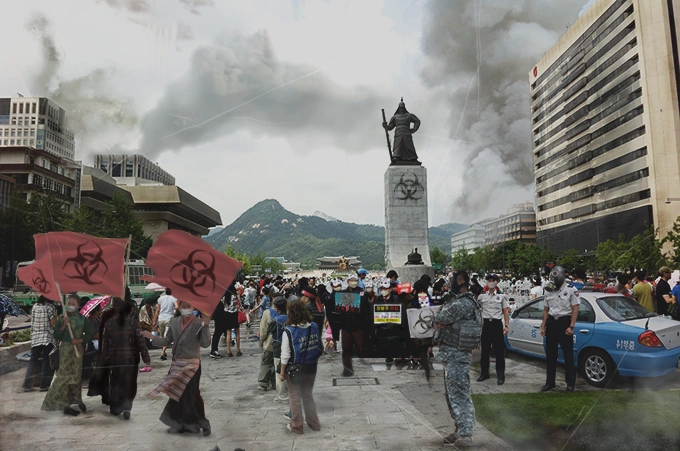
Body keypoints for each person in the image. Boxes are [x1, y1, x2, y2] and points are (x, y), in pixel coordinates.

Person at [142, 301, 212, 436]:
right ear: (179, 307)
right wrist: (152, 338)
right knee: (177, 392)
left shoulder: (199, 323)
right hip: (177, 363)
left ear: (193, 307)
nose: (185, 309)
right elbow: (167, 341)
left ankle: (203, 423)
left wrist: (206, 326)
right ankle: (178, 423)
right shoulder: (174, 322)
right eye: (183, 306)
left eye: (188, 306)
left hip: (192, 364)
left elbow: (205, 343)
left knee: (192, 393)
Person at [432, 271, 481, 448]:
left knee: (459, 394)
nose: (448, 283)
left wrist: (440, 321)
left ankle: (466, 434)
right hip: (451, 354)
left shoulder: (463, 303)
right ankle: (459, 429)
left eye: (450, 280)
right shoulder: (457, 301)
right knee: (451, 394)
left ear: (460, 282)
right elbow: (440, 319)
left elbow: (441, 317)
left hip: (457, 355)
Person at [87, 297, 150, 420]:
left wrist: (105, 357)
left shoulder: (109, 323)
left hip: (115, 360)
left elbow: (105, 343)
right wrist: (146, 357)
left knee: (116, 383)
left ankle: (116, 406)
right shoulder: (133, 323)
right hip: (131, 360)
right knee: (129, 383)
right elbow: (141, 341)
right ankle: (127, 407)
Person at [42, 294, 93, 416]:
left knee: (76, 375)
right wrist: (64, 325)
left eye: (73, 304)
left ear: (78, 305)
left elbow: (89, 334)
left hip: (77, 350)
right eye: (69, 303)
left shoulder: (83, 319)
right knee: (63, 375)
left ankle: (77, 400)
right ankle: (64, 404)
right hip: (65, 349)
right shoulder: (61, 318)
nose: (70, 306)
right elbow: (56, 335)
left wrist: (80, 340)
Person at [279, 298, 323, 434]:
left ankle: (297, 426)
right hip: (311, 367)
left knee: (295, 397)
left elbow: (285, 355)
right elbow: (319, 347)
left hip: (295, 369)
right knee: (308, 395)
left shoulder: (289, 331)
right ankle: (314, 424)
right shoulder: (313, 326)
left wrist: (282, 373)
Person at [540, 266, 579, 393]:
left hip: (564, 322)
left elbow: (575, 309)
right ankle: (550, 382)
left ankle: (570, 383)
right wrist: (543, 326)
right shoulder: (548, 290)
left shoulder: (571, 290)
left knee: (568, 355)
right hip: (552, 322)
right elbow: (546, 310)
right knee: (550, 355)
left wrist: (571, 326)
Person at [477, 274, 510, 385]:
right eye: (489, 280)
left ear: (496, 282)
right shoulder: (482, 297)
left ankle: (500, 375)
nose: (491, 282)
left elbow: (505, 311)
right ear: (486, 282)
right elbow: (478, 311)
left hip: (497, 324)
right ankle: (484, 373)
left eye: (493, 280)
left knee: (499, 351)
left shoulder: (501, 296)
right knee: (484, 351)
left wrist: (506, 325)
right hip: (486, 324)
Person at [23, 296, 57, 392]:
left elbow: (33, 322)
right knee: (46, 361)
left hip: (35, 337)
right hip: (47, 337)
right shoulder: (50, 307)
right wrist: (56, 316)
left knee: (33, 361)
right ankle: (43, 385)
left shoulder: (35, 306)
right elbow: (52, 323)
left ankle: (27, 385)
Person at [269, 296, 290, 403]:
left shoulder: (275, 320)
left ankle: (282, 395)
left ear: (276, 308)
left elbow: (270, 331)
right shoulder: (291, 318)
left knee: (279, 372)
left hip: (278, 347)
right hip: (291, 347)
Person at [258, 296, 280, 391]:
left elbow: (263, 330)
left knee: (266, 363)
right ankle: (275, 383)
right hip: (282, 344)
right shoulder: (287, 313)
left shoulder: (268, 312)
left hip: (270, 343)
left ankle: (263, 383)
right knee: (278, 364)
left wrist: (262, 339)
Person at [157, 288, 178, 361]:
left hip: (161, 318)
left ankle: (163, 351)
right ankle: (163, 353)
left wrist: (154, 320)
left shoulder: (160, 299)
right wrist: (174, 311)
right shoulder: (173, 298)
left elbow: (158, 310)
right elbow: (177, 307)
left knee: (162, 336)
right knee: (167, 336)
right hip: (169, 318)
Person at [223, 285, 244, 357]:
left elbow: (223, 304)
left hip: (226, 314)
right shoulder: (235, 296)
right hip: (235, 314)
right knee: (237, 332)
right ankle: (238, 349)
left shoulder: (225, 296)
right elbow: (239, 305)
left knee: (228, 333)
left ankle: (229, 350)